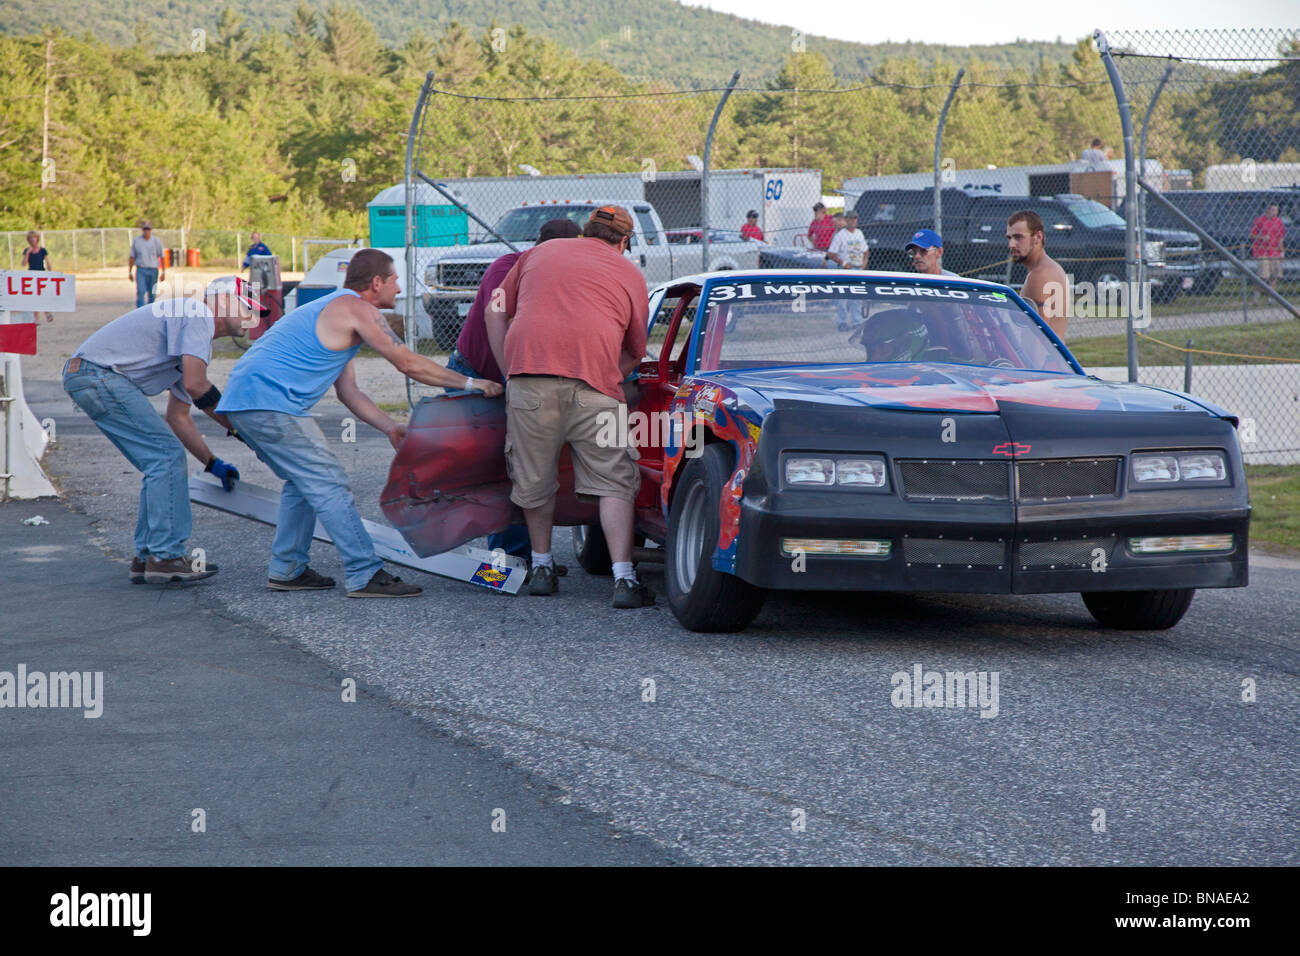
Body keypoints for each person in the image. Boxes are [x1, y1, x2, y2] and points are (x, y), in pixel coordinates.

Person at [218, 249, 500, 598]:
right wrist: (474, 384)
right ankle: (364, 573)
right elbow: (408, 363)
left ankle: (287, 569)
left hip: (245, 403)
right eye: (395, 281)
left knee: (303, 481)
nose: (398, 290)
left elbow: (349, 392)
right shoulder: (356, 309)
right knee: (329, 481)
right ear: (376, 282)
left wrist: (390, 428)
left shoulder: (337, 312)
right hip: (268, 403)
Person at [485, 205, 652, 608]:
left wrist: (510, 372)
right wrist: (605, 373)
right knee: (614, 481)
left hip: (530, 380)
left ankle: (541, 569)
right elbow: (637, 349)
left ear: (586, 231)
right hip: (596, 385)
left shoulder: (535, 255)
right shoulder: (628, 272)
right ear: (624, 242)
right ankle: (624, 580)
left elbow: (496, 309)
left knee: (533, 477)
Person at [63, 276, 254, 585]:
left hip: (88, 375)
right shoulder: (198, 315)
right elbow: (197, 386)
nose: (251, 317)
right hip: (98, 374)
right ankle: (165, 557)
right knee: (164, 456)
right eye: (246, 306)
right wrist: (240, 429)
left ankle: (146, 556)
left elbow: (178, 416)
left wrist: (212, 462)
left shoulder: (192, 340)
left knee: (159, 459)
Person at [447, 217, 581, 562]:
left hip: (522, 383)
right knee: (486, 468)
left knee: (522, 468)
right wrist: (511, 382)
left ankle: (520, 557)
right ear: (541, 248)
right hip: (477, 376)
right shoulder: (506, 268)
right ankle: (503, 558)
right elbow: (500, 319)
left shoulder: (566, 280)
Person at [1007, 210, 1069, 339]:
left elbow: (1040, 337)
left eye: (1018, 237)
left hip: (1043, 358)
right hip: (1052, 357)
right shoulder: (1052, 268)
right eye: (1009, 238)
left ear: (1038, 237)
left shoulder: (1039, 276)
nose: (1011, 244)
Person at [129, 220, 165, 308]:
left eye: (148, 229)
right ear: (142, 230)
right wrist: (129, 272)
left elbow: (162, 256)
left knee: (152, 293)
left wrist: (163, 272)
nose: (147, 231)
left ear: (151, 230)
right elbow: (132, 257)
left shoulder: (156, 241)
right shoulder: (137, 241)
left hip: (153, 270)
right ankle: (140, 312)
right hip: (141, 269)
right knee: (141, 291)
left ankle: (150, 312)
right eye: (145, 229)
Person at [1250, 203, 1285, 293]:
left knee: (1274, 276)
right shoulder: (1259, 220)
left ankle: (1272, 298)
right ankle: (1256, 296)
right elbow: (1252, 235)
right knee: (1263, 276)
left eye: (1276, 210)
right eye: (1273, 210)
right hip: (1262, 252)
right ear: (1268, 210)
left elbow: (1280, 238)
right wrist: (1262, 237)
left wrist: (1282, 252)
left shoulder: (1278, 221)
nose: (1275, 212)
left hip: (1274, 252)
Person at [21, 230, 53, 322]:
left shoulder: (42, 250)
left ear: (37, 239)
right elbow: (24, 264)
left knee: (43, 295)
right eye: (30, 238)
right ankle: (36, 318)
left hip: (41, 274)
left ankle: (47, 313)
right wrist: (27, 253)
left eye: (34, 237)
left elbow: (47, 262)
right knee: (34, 297)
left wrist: (51, 272)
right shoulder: (27, 250)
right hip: (31, 275)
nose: (32, 240)